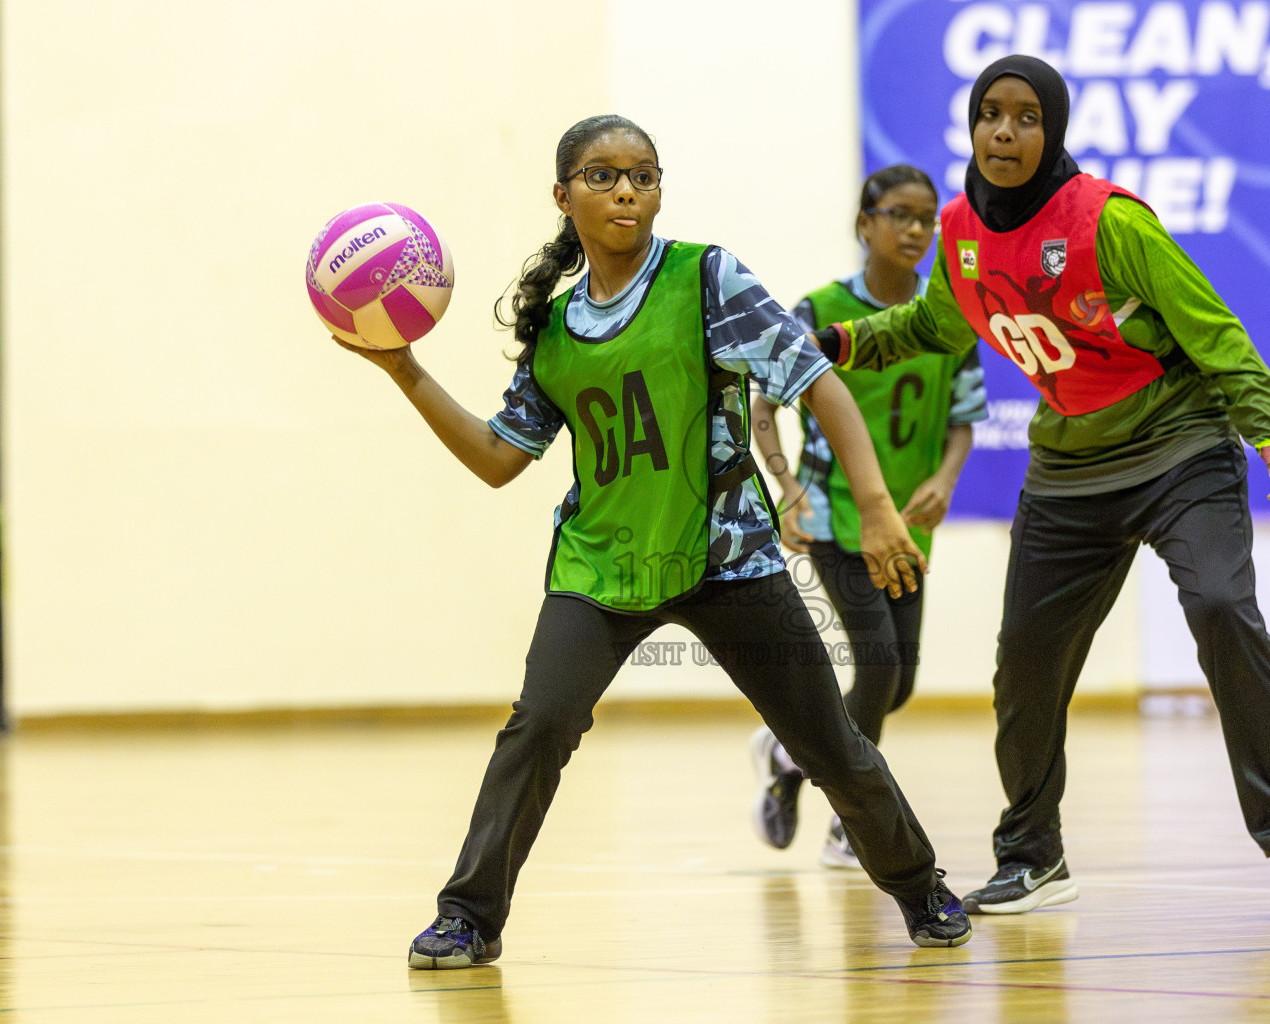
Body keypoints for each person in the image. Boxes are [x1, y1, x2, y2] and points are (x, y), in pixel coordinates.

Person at [332, 114, 973, 966]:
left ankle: (919, 884)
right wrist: (406, 370)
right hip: (602, 565)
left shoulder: (705, 278)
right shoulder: (556, 331)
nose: (626, 189)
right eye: (602, 176)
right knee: (537, 729)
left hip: (728, 558)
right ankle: (469, 918)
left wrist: (876, 503)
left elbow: (817, 382)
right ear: (564, 197)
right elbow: (497, 458)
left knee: (832, 746)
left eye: (643, 174)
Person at [808, 56, 1270, 912]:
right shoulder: (962, 230)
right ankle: (1032, 856)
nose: (1005, 131)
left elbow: (1213, 330)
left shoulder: (1108, 222)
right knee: (1025, 663)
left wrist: (1269, 430)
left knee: (1218, 605)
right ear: (972, 126)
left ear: (1052, 130)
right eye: (991, 113)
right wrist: (841, 340)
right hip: (1068, 468)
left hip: (1178, 443)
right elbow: (933, 322)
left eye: (1026, 117)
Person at [747, 165, 986, 869]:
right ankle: (852, 822)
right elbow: (765, 403)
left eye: (926, 219)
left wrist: (945, 480)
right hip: (833, 515)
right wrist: (788, 487)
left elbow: (962, 421)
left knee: (899, 680)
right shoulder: (819, 308)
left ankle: (789, 757)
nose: (915, 230)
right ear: (865, 224)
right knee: (878, 664)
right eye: (899, 215)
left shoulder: (948, 315)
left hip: (908, 523)